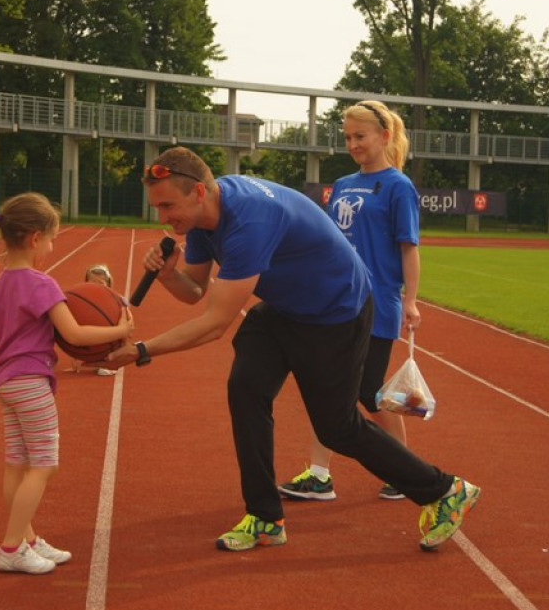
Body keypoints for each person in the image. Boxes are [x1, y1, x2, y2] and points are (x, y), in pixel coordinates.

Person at [105, 146, 480, 553]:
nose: (162, 218)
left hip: (336, 313)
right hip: (286, 308)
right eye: (157, 207)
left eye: (166, 206)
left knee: (337, 429)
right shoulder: (199, 219)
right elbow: (195, 292)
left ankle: (445, 489)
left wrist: (142, 350)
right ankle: (265, 518)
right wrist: (168, 274)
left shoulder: (248, 220)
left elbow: (213, 324)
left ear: (198, 192)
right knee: (246, 389)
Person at [0, 192, 134, 574]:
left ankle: (26, 538)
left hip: (7, 380)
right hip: (31, 380)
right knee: (44, 465)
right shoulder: (41, 283)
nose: (52, 246)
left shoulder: (1, 280)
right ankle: (12, 547)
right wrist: (121, 328)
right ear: (34, 238)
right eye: (52, 238)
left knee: (18, 463)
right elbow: (75, 334)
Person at [278, 100, 419, 502]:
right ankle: (319, 475)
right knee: (327, 384)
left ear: (384, 136)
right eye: (348, 137)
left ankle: (405, 467)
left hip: (379, 300)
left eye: (361, 136)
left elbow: (409, 248)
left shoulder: (397, 186)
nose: (353, 144)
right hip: (338, 297)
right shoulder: (341, 185)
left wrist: (411, 301)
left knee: (370, 389)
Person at [71, 264, 118, 377]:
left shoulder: (115, 303)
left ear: (108, 285)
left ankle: (111, 360)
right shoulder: (83, 303)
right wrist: (76, 355)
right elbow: (78, 329)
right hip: (93, 338)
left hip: (110, 339)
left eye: (100, 283)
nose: (96, 287)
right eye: (92, 283)